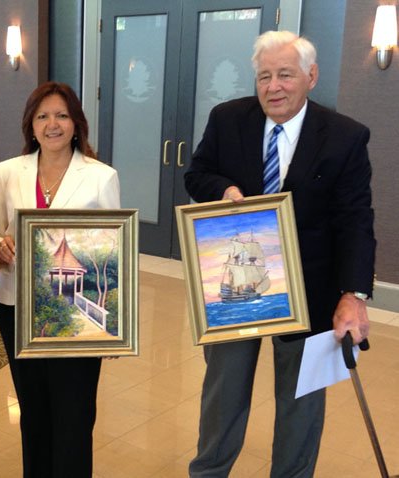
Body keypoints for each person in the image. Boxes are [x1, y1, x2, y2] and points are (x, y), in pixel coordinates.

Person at [185, 31, 375, 477]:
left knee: (302, 404)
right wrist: (223, 189)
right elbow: (198, 174)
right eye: (264, 76)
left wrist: (354, 295)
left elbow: (355, 220)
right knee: (222, 395)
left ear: (311, 76)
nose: (274, 86)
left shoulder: (345, 136)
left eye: (285, 75)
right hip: (234, 285)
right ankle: (209, 471)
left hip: (312, 289)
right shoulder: (227, 119)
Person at [0, 81, 120, 478]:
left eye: (61, 115)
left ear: (76, 124)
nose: (52, 124)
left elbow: (112, 252)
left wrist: (112, 321)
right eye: (42, 116)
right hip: (17, 310)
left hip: (76, 321)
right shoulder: (10, 172)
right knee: (34, 412)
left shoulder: (101, 177)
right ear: (31, 125)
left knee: (75, 417)